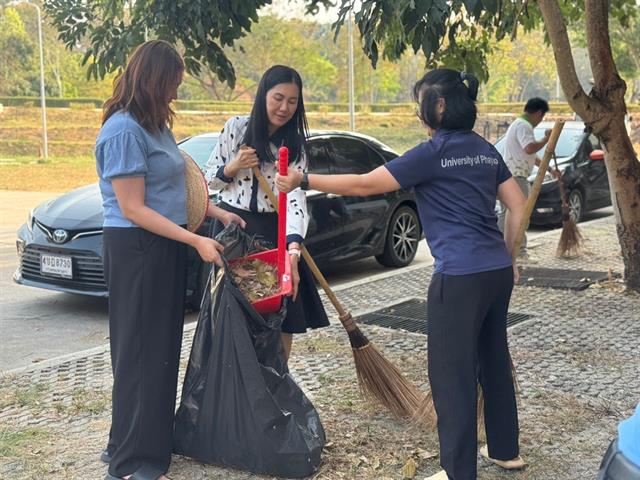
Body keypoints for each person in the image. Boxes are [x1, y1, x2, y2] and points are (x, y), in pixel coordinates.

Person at [277, 68, 527, 480]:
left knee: (452, 374)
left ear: (440, 106)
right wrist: (508, 254)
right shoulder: (486, 151)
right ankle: (505, 450)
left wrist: (302, 179)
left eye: (421, 102)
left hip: (458, 279)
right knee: (494, 359)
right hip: (496, 273)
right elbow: (516, 206)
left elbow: (362, 184)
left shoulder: (432, 153)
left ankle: (457, 470)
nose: (417, 112)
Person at [96, 40, 244, 480]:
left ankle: (142, 446)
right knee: (139, 355)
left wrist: (214, 212)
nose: (176, 93)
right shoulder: (123, 130)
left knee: (158, 351)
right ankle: (131, 464)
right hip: (136, 248)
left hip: (160, 245)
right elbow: (134, 208)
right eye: (172, 84)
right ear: (152, 81)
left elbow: (174, 187)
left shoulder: (155, 126)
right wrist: (194, 240)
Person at [204, 65, 329, 361]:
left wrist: (293, 251)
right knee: (234, 319)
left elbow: (297, 201)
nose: (284, 107)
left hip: (278, 231)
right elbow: (209, 178)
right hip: (234, 230)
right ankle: (239, 391)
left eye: (292, 101)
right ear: (263, 96)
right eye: (278, 98)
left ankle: (277, 384)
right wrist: (234, 166)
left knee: (283, 315)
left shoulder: (295, 146)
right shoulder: (236, 128)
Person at [497, 97, 553, 256]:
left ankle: (508, 248)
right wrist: (545, 139)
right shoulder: (524, 125)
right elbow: (529, 148)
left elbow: (529, 155)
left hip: (512, 174)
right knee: (518, 213)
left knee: (510, 212)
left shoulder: (519, 124)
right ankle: (516, 250)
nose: (540, 121)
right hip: (516, 176)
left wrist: (549, 168)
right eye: (541, 117)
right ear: (538, 113)